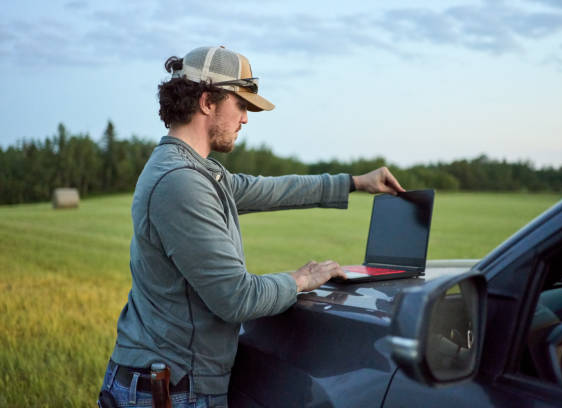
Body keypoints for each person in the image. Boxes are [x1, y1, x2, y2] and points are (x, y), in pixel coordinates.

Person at [98, 46, 405, 408]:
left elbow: (268, 189)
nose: (245, 119)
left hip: (175, 382)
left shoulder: (194, 171)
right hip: (172, 391)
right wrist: (301, 279)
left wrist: (354, 182)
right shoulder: (181, 182)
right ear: (207, 101)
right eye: (241, 105)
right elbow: (236, 297)